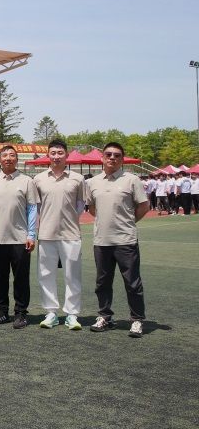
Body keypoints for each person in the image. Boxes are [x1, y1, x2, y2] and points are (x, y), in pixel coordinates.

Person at [86, 142, 150, 338]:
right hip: (101, 241)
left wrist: (128, 223)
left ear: (122, 159)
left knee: (132, 282)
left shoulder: (132, 180)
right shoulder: (92, 182)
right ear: (102, 158)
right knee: (102, 282)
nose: (112, 158)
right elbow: (92, 208)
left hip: (126, 241)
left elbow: (144, 206)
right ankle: (105, 317)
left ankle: (137, 319)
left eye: (117, 155)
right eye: (108, 154)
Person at [33, 140, 86, 331]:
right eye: (53, 153)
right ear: (48, 155)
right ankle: (51, 313)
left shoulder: (77, 179)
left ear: (66, 155)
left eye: (60, 153)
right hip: (46, 234)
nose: (56, 156)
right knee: (46, 275)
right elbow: (37, 206)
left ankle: (72, 314)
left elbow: (80, 205)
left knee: (73, 275)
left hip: (71, 234)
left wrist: (67, 219)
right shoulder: (38, 179)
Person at [0, 145, 38, 329]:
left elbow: (32, 209)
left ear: (17, 159)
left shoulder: (27, 181)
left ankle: (21, 313)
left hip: (20, 239)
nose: (8, 158)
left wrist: (31, 234)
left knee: (21, 278)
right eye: (5, 155)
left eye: (12, 155)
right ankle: (1, 312)